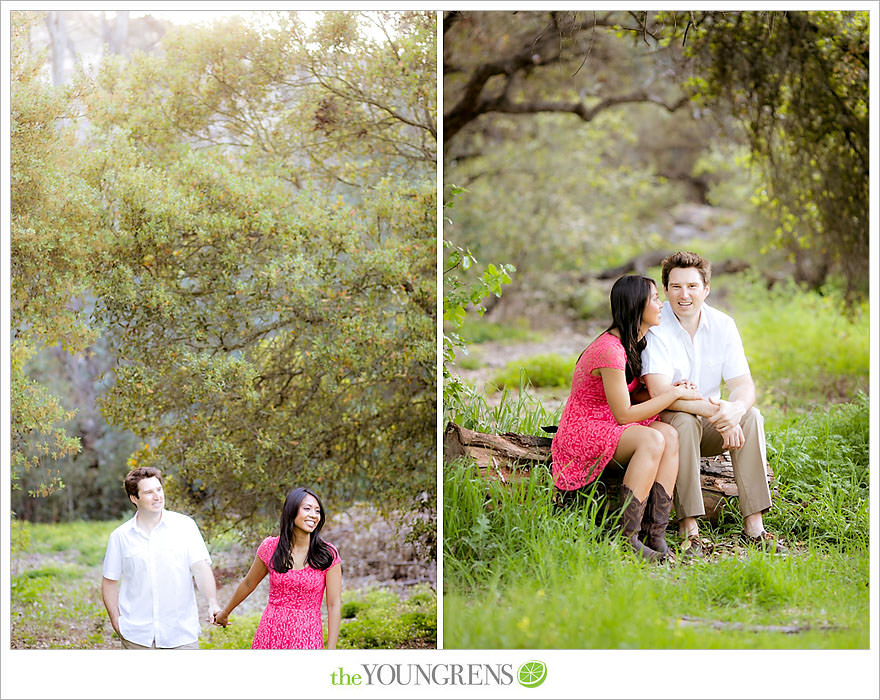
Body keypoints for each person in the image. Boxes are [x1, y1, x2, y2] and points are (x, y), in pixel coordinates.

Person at [641, 251, 785, 556]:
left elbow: (743, 385)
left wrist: (735, 411)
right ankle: (689, 528)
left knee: (752, 415)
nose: (684, 295)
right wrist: (719, 413)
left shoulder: (723, 325)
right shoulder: (656, 325)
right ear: (666, 290)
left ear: (706, 289)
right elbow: (659, 391)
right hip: (672, 424)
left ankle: (755, 526)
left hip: (711, 424)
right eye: (676, 287)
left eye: (692, 286)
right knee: (683, 419)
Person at [551, 275, 701, 561]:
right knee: (652, 439)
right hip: (584, 428)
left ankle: (655, 533)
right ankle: (626, 538)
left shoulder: (634, 342)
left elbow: (633, 398)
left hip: (607, 422)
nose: (661, 304)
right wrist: (672, 395)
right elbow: (624, 415)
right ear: (637, 305)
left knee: (670, 435)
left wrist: (675, 389)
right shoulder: (609, 349)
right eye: (655, 299)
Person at [101, 467, 221, 649]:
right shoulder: (120, 537)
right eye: (149, 492)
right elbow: (109, 582)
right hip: (137, 638)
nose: (157, 496)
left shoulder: (185, 527)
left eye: (159, 489)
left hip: (181, 635)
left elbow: (201, 569)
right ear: (134, 498)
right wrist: (117, 623)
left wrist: (212, 603)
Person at [213, 486, 342, 649]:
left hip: (307, 639)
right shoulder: (270, 547)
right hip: (269, 635)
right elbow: (248, 583)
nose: (313, 515)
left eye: (317, 511)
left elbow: (334, 604)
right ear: (291, 511)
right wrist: (225, 613)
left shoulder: (327, 554)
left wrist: (331, 651)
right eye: (307, 508)